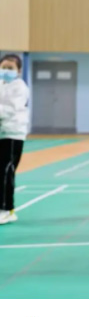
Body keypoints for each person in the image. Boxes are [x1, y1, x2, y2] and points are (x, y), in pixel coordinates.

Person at [0, 54, 29, 225]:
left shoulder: (20, 87)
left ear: (18, 71)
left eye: (10, 68)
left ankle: (6, 210)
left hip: (13, 134)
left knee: (6, 171)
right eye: (3, 67)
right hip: (1, 134)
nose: (6, 71)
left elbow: (11, 109)